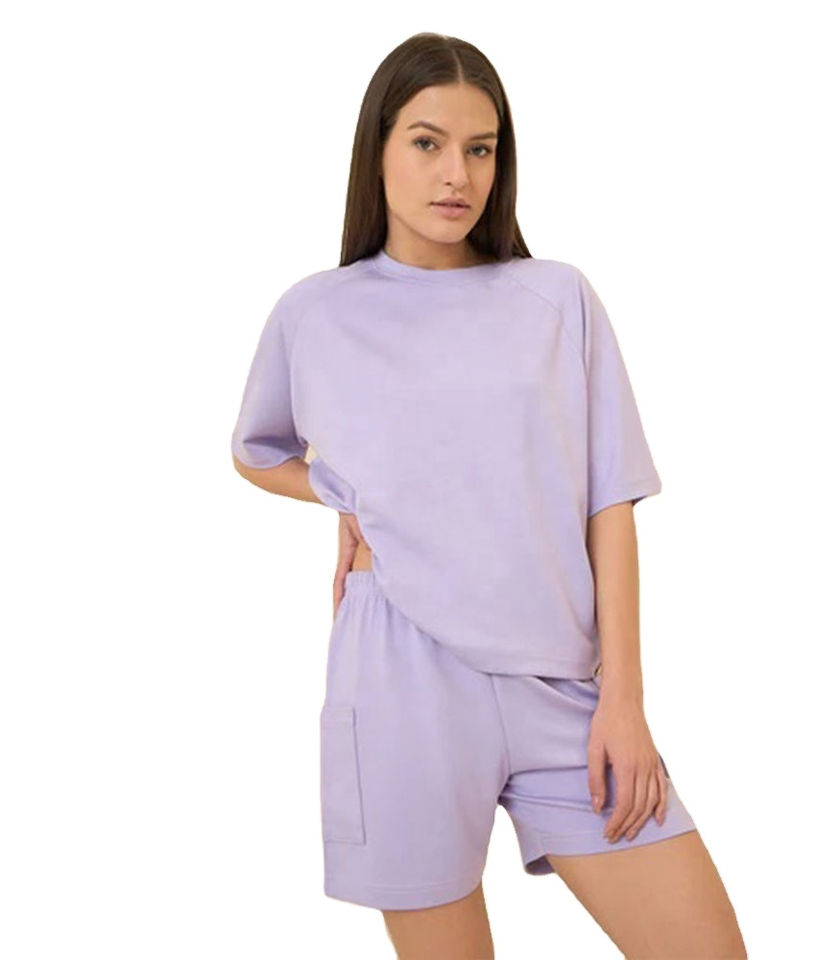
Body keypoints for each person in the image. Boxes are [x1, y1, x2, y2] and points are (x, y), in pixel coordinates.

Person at [230, 32, 747, 960]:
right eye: (427, 143)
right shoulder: (316, 312)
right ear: (378, 148)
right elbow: (258, 451)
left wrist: (625, 702)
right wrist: (351, 497)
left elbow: (610, 503)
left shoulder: (556, 298)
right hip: (399, 677)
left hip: (562, 686)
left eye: (481, 148)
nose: (456, 174)